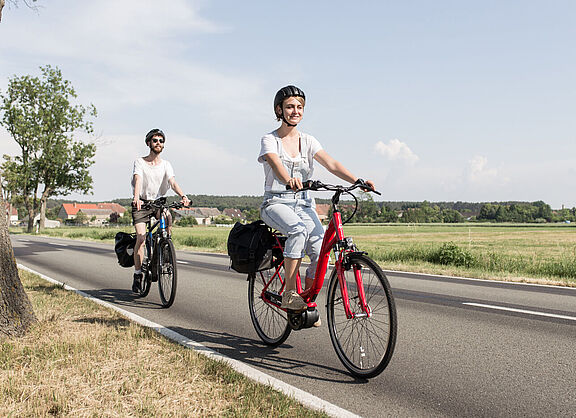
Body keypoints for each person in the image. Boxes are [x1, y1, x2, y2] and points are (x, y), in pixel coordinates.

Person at [258, 86, 375, 312]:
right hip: (276, 203)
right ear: (279, 110)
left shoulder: (308, 140)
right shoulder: (269, 140)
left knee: (321, 249)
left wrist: (357, 180)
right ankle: (290, 294)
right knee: (297, 231)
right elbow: (275, 163)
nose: (295, 111)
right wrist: (288, 179)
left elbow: (331, 164)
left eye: (300, 107)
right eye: (290, 106)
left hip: (303, 203)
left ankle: (306, 300)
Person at [131, 128, 190, 293]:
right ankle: (137, 274)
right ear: (149, 143)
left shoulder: (166, 165)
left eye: (161, 141)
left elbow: (172, 182)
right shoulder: (140, 162)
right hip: (142, 203)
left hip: (157, 202)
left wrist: (183, 196)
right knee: (141, 239)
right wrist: (136, 198)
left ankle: (164, 245)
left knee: (168, 216)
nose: (158, 143)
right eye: (155, 140)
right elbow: (138, 178)